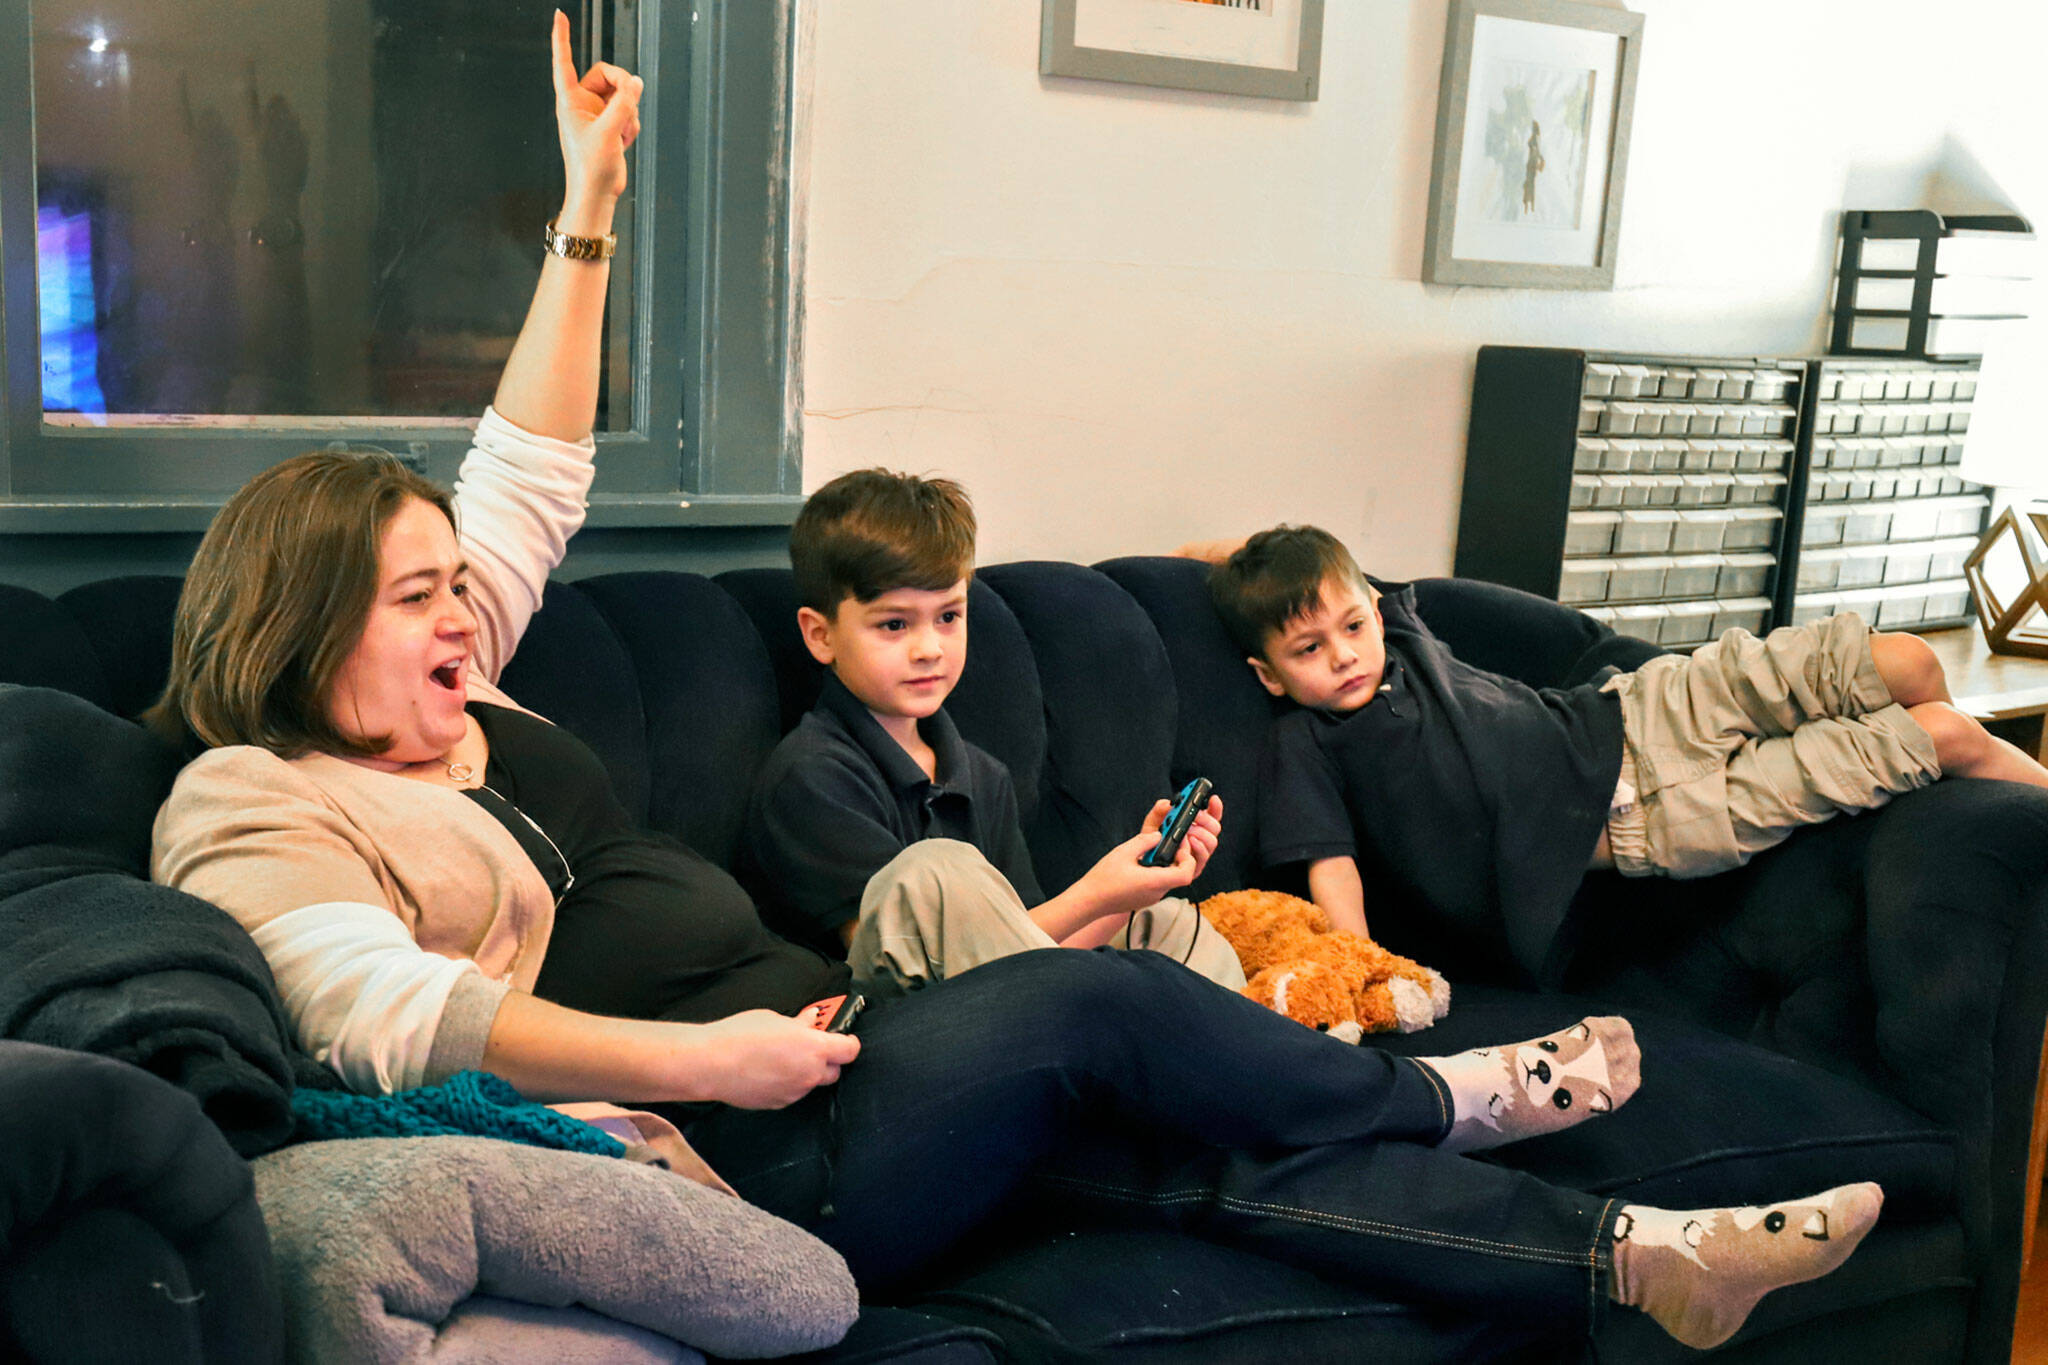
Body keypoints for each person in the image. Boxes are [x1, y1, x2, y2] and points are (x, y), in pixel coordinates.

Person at [143, 27, 1887, 1354]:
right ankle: (1451, 1091)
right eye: (422, 598)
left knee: (1180, 1135)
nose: (471, 614)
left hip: (839, 1049)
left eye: (467, 588)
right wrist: (707, 1063)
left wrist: (585, 220)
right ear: (298, 631)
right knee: (1090, 1015)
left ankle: (1630, 1259)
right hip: (748, 1149)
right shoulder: (252, 798)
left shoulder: (456, 701)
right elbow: (379, 1009)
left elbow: (525, 471)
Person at [1204, 524, 2048, 943]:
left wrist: (1238, 559)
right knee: (1939, 737)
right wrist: (1359, 961)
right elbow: (1332, 865)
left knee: (1903, 664)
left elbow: (1319, 574)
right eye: (1308, 651)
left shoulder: (1404, 637)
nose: (1344, 656)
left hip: (1642, 705)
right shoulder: (1308, 743)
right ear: (1270, 674)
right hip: (1647, 814)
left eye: (1351, 626)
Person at [739, 468, 1246, 994]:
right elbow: (923, 958)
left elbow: (1021, 947)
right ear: (820, 635)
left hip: (1012, 1005)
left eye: (949, 617)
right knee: (936, 871)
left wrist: (1125, 896)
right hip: (896, 1030)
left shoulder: (981, 774)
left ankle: (1247, 1061)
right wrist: (1095, 892)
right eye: (894, 624)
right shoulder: (811, 777)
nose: (929, 648)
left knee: (1163, 924)